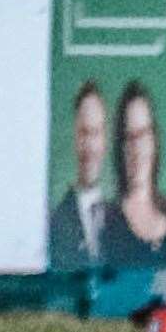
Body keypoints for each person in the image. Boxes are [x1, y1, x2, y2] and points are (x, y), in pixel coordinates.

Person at [102, 80, 166, 269]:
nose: (137, 148)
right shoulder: (108, 222)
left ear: (154, 140)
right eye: (129, 138)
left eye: (143, 134)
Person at [49, 80, 109, 269]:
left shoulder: (123, 218)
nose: (90, 146)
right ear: (74, 136)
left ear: (105, 139)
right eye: (84, 133)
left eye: (96, 132)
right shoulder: (55, 223)